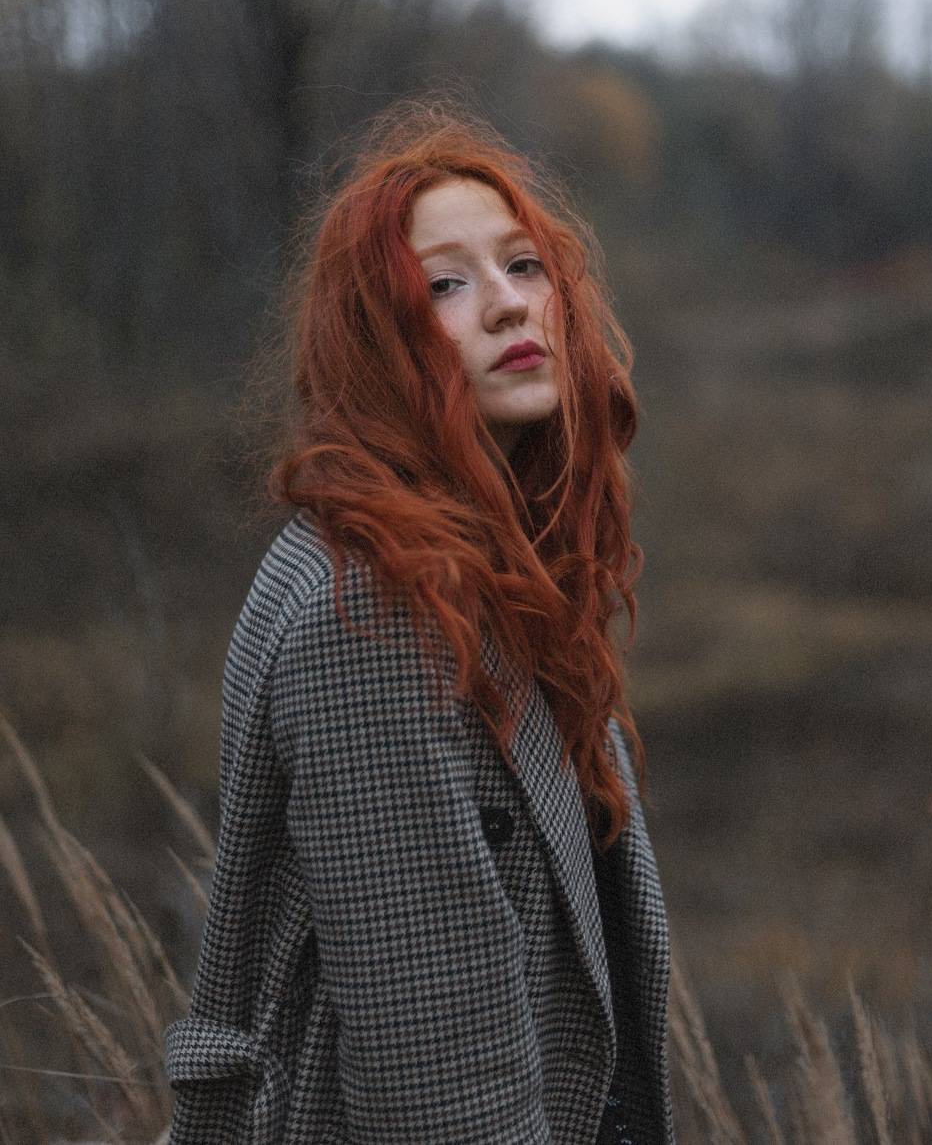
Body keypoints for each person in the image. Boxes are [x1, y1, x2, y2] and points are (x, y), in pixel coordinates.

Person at [162, 99, 675, 1144]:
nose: (507, 304)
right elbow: (442, 1096)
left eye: (522, 266)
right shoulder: (372, 616)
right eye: (445, 285)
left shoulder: (498, 568)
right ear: (377, 342)